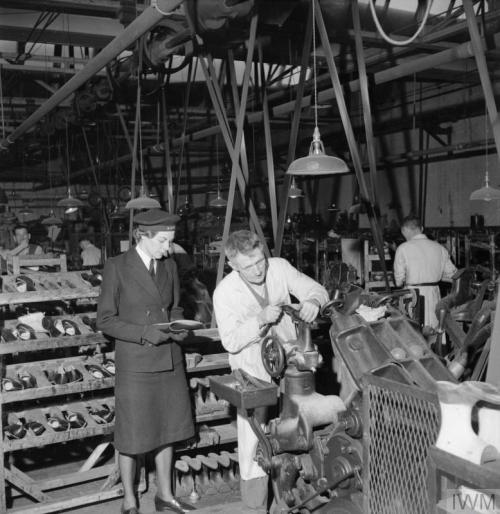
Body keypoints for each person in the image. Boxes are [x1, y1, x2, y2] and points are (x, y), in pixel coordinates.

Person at [212, 230, 329, 513]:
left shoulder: (278, 268)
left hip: (290, 366)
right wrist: (258, 321)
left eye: (259, 261)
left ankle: (291, 498)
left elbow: (318, 290)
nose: (257, 270)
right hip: (252, 372)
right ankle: (255, 505)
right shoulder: (225, 292)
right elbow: (230, 340)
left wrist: (313, 302)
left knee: (297, 429)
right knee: (256, 440)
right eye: (247, 266)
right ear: (233, 265)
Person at [97, 209, 195, 514]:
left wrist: (179, 327)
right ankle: (130, 501)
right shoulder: (118, 267)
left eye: (171, 241)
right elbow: (105, 320)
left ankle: (165, 496)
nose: (168, 248)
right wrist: (144, 333)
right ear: (143, 236)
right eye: (164, 241)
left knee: (169, 430)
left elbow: (175, 307)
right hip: (136, 363)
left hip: (169, 359)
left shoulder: (169, 266)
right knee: (132, 435)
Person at [393, 215, 457, 328]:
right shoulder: (440, 248)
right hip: (434, 294)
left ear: (404, 230)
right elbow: (454, 275)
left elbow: (398, 281)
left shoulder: (403, 248)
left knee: (414, 331)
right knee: (434, 327)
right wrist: (433, 276)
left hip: (412, 296)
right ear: (421, 228)